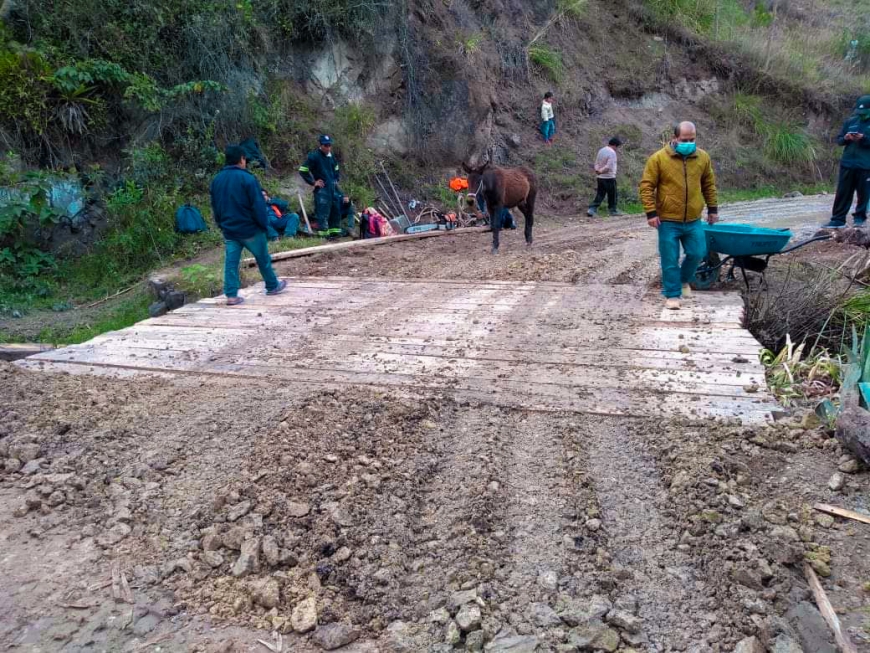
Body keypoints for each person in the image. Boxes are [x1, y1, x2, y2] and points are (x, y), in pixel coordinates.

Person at [639, 121, 718, 311]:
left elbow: (708, 184)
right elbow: (646, 186)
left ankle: (683, 281)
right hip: (667, 220)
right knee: (670, 258)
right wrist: (651, 212)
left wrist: (713, 209)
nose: (689, 143)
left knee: (697, 253)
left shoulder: (702, 157)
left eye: (692, 139)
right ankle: (672, 295)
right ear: (674, 138)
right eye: (685, 140)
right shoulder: (658, 159)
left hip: (693, 219)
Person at [210, 145, 286, 306]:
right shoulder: (248, 179)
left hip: (230, 230)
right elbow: (257, 206)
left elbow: (216, 206)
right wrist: (264, 226)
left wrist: (221, 224)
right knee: (263, 258)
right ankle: (272, 285)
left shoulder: (217, 180)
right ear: (241, 159)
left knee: (231, 263)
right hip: (250, 229)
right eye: (245, 159)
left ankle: (231, 295)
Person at [823, 94, 870, 229]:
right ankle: (838, 219)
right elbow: (839, 140)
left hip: (866, 165)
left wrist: (864, 139)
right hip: (848, 163)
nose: (861, 115)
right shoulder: (850, 122)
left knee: (864, 194)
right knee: (843, 192)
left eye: (864, 112)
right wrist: (846, 138)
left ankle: (860, 218)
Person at [298, 135, 351, 238]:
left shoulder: (332, 158)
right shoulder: (314, 156)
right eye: (325, 145)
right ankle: (324, 236)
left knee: (335, 212)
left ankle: (334, 234)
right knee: (323, 214)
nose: (328, 148)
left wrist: (337, 185)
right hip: (322, 191)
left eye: (329, 145)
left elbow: (336, 172)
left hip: (333, 190)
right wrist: (313, 182)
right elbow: (303, 170)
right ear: (321, 145)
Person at [587, 137, 624, 217]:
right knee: (613, 195)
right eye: (617, 146)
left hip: (600, 177)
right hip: (609, 177)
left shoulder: (601, 150)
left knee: (600, 194)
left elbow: (596, 162)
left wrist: (597, 170)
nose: (617, 149)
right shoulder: (612, 153)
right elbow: (608, 166)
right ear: (615, 145)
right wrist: (601, 171)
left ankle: (592, 209)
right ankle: (612, 210)